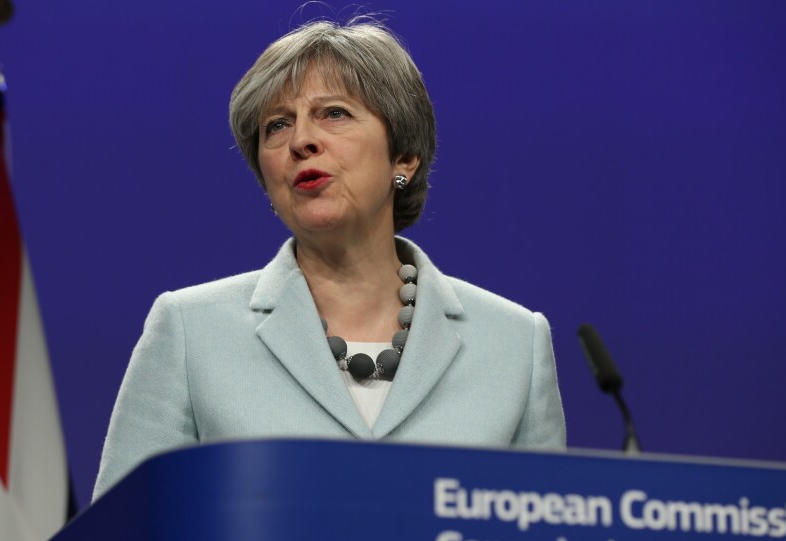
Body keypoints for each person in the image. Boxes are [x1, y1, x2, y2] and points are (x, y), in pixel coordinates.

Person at [93, 19, 565, 501]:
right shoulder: (190, 332)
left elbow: (546, 524)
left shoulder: (514, 345)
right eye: (277, 126)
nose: (300, 140)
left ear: (403, 158)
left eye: (334, 113)